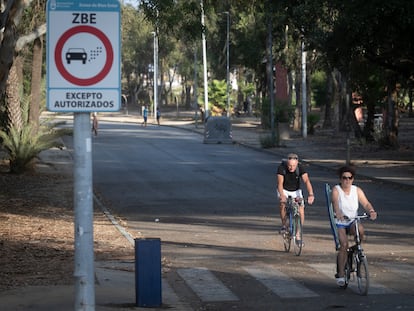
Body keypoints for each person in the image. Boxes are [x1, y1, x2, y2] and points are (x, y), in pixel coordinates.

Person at [331, 166, 377, 286]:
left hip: (352, 220)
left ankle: (355, 249)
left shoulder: (357, 190)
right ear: (340, 179)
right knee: (343, 245)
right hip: (340, 222)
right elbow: (335, 203)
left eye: (349, 178)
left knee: (360, 231)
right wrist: (338, 213)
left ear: (353, 179)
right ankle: (341, 274)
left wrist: (371, 211)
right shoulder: (336, 190)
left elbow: (366, 203)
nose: (347, 180)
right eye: (344, 178)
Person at [276, 153, 314, 245]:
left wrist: (311, 194)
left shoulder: (300, 168)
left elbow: (306, 181)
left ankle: (298, 234)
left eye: (293, 165)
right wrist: (282, 195)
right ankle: (284, 225)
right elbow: (280, 183)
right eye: (289, 165)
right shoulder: (282, 168)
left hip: (296, 191)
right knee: (282, 204)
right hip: (284, 189)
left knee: (301, 210)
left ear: (297, 163)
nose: (291, 168)